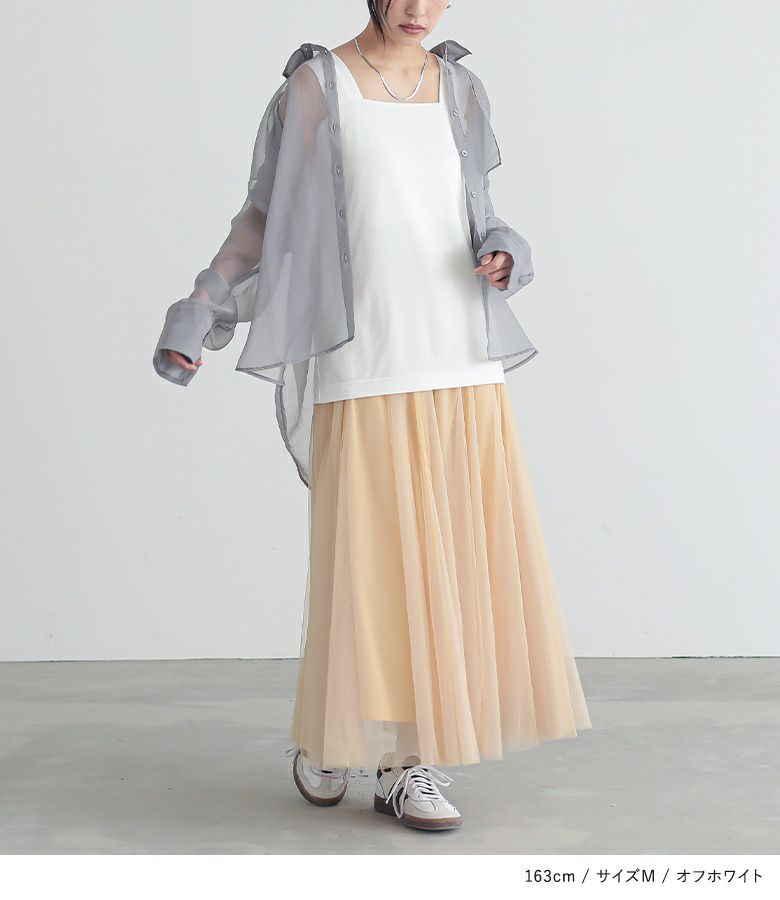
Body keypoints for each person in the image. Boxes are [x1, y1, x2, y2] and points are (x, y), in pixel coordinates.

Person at [152, 1, 592, 833]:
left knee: (447, 569)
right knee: (367, 569)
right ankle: (337, 730)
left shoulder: (460, 87)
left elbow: (473, 205)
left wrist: (505, 247)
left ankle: (404, 762)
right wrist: (201, 308)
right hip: (363, 356)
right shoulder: (317, 86)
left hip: (458, 353)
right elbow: (262, 220)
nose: (420, 9)